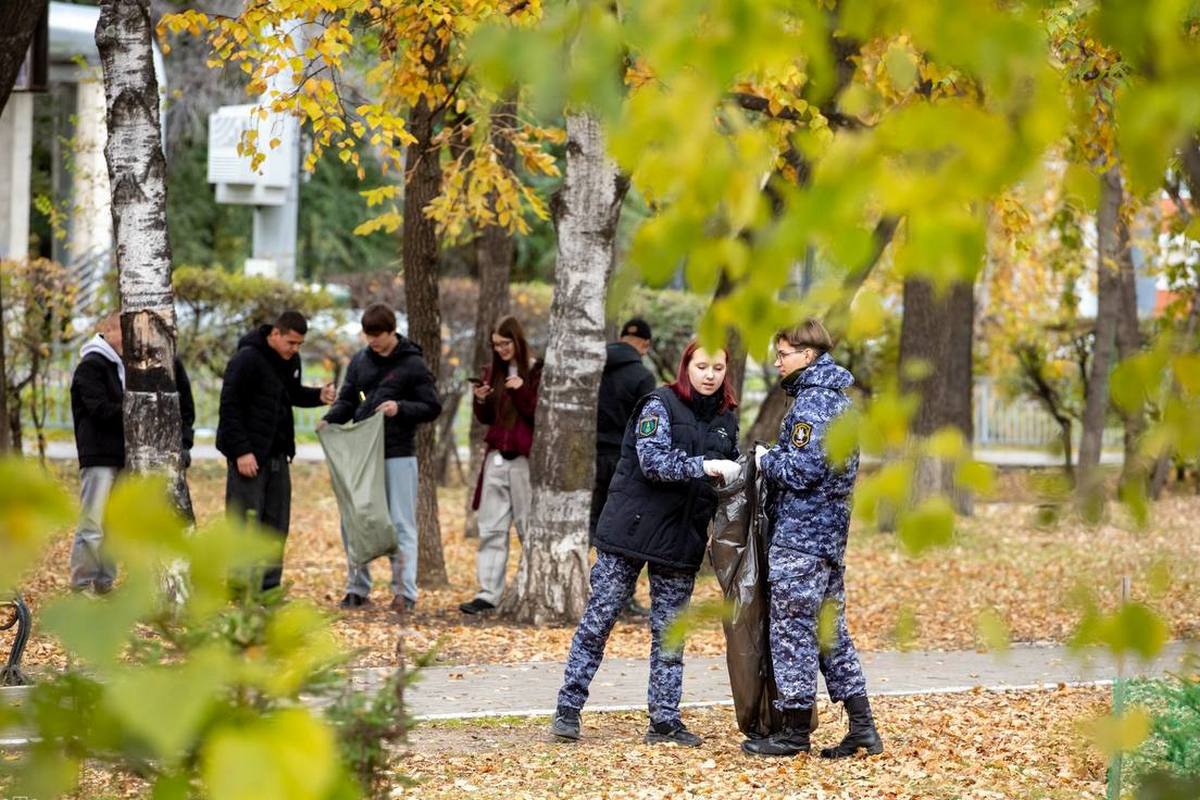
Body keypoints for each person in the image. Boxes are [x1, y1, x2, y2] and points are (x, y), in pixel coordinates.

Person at [550, 340, 742, 747]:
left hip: (680, 540)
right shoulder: (659, 404)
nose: (710, 375)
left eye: (718, 368)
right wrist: (704, 466)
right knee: (598, 622)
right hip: (629, 533)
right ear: (686, 366)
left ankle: (664, 720)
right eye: (702, 366)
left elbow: (732, 476)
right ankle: (568, 708)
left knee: (670, 633)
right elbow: (652, 461)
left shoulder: (727, 420)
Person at [742, 319, 882, 759]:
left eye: (783, 353)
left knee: (793, 633)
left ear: (808, 354)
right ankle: (862, 727)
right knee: (830, 634)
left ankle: (795, 731)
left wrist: (768, 460)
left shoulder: (811, 405)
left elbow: (802, 471)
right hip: (827, 541)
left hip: (800, 538)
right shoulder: (840, 402)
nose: (777, 361)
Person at [319, 303, 442, 613]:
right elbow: (348, 398)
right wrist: (331, 419)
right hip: (363, 455)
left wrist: (400, 408)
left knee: (401, 524)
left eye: (377, 335)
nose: (372, 341)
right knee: (355, 520)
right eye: (368, 335)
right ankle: (357, 588)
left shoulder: (412, 364)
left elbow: (432, 406)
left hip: (399, 453)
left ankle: (404, 593)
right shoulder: (360, 361)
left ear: (391, 332)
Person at [69, 314, 197, 592]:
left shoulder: (129, 365)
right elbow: (98, 410)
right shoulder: (91, 365)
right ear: (107, 330)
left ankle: (103, 583)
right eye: (122, 331)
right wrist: (140, 410)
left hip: (124, 456)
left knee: (114, 524)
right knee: (92, 523)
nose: (129, 340)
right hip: (99, 456)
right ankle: (82, 585)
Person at [217, 310, 336, 592]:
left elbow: (289, 393)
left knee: (276, 524)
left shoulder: (290, 360)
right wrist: (241, 452)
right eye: (290, 343)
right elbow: (229, 407)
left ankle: (268, 589)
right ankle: (239, 589)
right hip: (247, 456)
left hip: (278, 455)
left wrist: (318, 396)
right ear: (275, 334)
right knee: (245, 523)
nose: (294, 349)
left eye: (299, 345)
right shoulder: (246, 359)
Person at [459, 316, 542, 615]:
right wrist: (480, 400)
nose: (501, 349)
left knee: (527, 526)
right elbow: (487, 418)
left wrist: (520, 389)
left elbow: (537, 413)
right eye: (496, 344)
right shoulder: (490, 372)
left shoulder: (535, 370)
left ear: (517, 341)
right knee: (491, 527)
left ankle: (534, 585)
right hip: (496, 456)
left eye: (505, 343)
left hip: (523, 459)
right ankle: (488, 593)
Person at [593, 318, 658, 619]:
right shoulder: (642, 376)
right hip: (623, 460)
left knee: (594, 527)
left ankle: (595, 591)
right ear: (644, 346)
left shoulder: (593, 364)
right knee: (624, 527)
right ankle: (624, 596)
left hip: (589, 456)